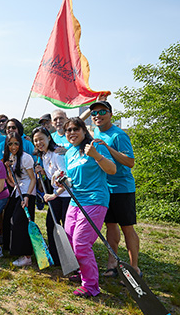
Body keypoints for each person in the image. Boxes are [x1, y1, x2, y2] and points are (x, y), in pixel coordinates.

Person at [60, 117, 116, 297]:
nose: (72, 133)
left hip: (94, 200)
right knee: (69, 239)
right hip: (75, 200)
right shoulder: (70, 153)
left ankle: (91, 286)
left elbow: (112, 170)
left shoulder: (94, 147)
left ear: (84, 130)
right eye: (68, 130)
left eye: (75, 129)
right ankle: (81, 271)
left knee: (81, 243)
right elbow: (72, 180)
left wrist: (96, 156)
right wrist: (61, 181)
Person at [90, 101, 141, 279]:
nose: (98, 115)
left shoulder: (119, 135)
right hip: (105, 188)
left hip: (122, 188)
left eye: (102, 111)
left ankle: (134, 268)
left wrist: (108, 147)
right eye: (94, 113)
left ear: (111, 114)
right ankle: (112, 264)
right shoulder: (96, 131)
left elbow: (130, 162)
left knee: (127, 228)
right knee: (110, 226)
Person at [32, 126, 70, 267]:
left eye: (41, 139)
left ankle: (70, 257)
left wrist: (54, 195)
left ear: (49, 137)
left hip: (66, 196)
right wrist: (42, 172)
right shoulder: (44, 155)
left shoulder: (57, 153)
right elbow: (52, 177)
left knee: (66, 228)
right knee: (51, 225)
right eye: (35, 141)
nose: (38, 143)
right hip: (56, 196)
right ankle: (56, 256)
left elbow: (64, 177)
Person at [2, 132, 37, 266]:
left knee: (20, 221)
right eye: (10, 144)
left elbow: (33, 179)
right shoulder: (12, 158)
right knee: (10, 219)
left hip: (28, 192)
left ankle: (26, 256)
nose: (13, 146)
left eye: (16, 143)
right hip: (19, 191)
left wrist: (28, 196)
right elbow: (13, 182)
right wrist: (8, 168)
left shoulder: (26, 158)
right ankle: (14, 250)